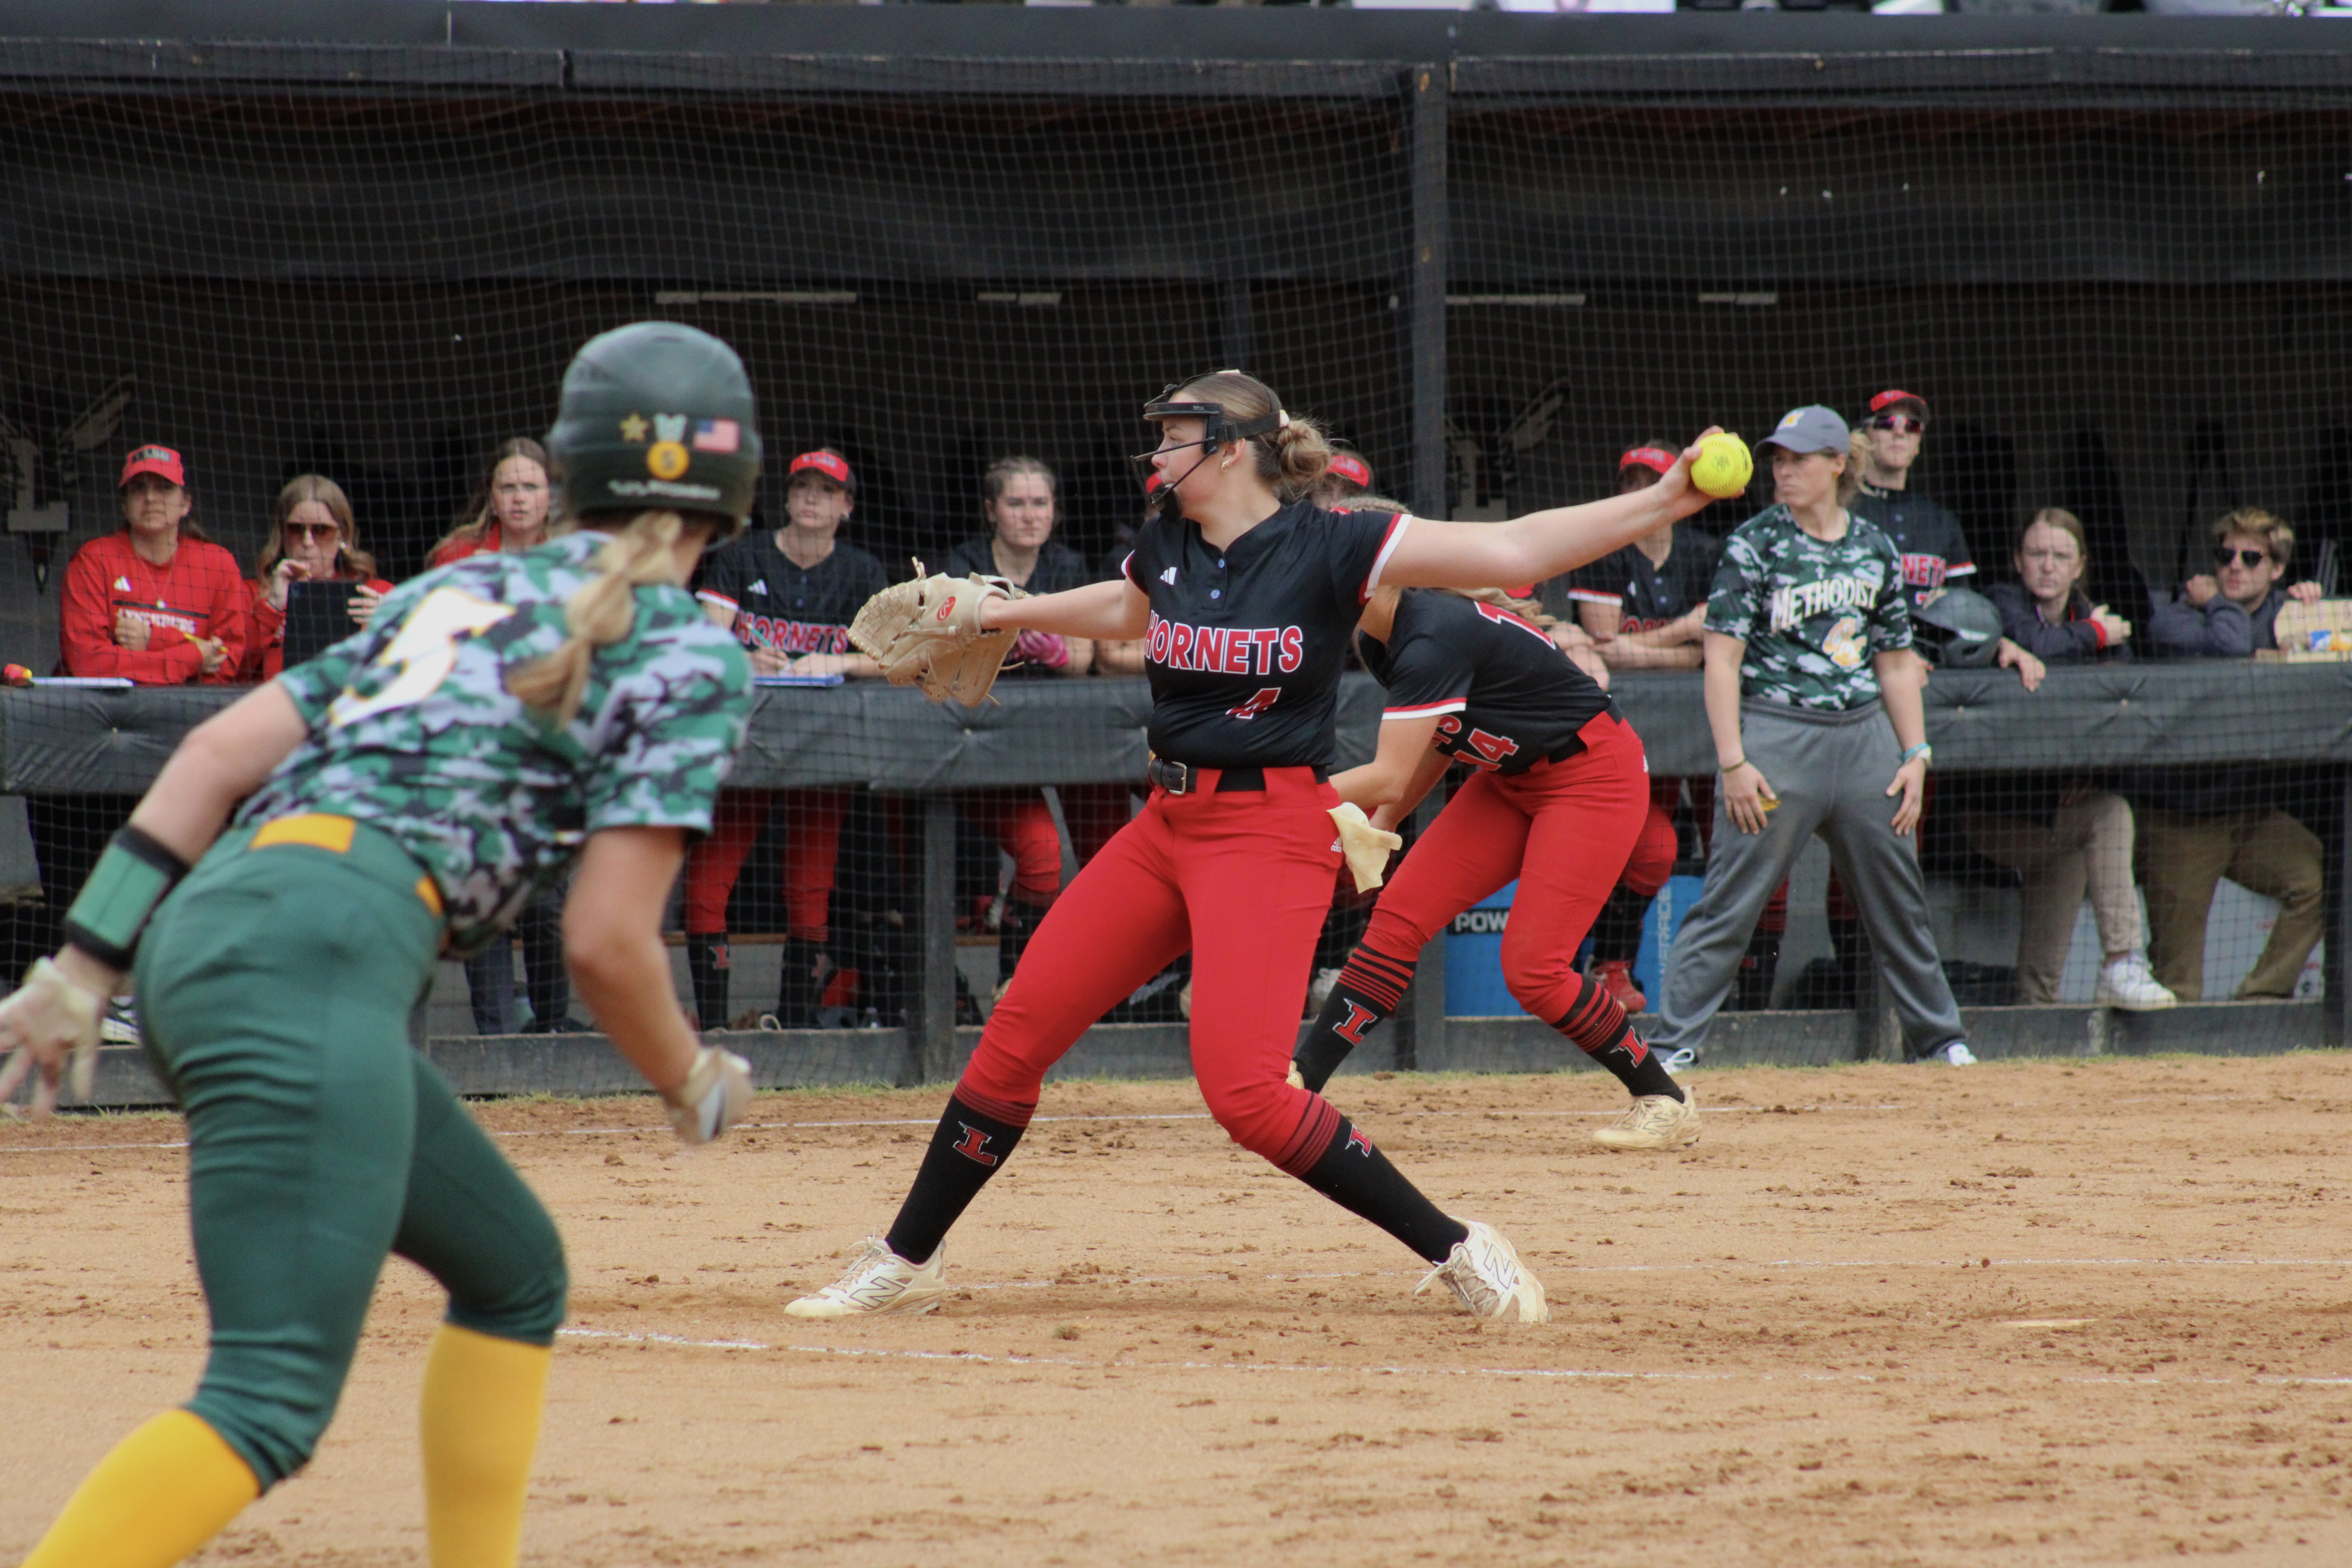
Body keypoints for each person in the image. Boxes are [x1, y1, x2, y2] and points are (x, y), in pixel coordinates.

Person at [0, 320, 761, 1568]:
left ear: (568, 471)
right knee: (264, 1403)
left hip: (218, 927)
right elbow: (609, 942)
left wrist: (83, 970)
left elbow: (211, 757)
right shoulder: (687, 648)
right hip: (322, 961)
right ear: (729, 491)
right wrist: (689, 1076)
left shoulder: (457, 585)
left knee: (514, 1270)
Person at [786, 368, 1720, 1325]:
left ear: (1231, 448)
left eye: (1174, 436)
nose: (1155, 453)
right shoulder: (1171, 539)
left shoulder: (1336, 541)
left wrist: (1662, 498)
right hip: (1169, 824)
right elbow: (1127, 610)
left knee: (1249, 1099)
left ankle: (1457, 1244)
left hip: (1270, 832)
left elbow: (1513, 544)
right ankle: (907, 1258)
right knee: (1014, 1039)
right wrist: (1000, 612)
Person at [1289, 582, 1698, 1152]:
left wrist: (1280, 798)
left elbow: (1386, 770)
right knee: (1398, 920)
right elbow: (1436, 741)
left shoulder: (1430, 632)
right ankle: (1302, 1082)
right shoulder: (1380, 639)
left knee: (1534, 971)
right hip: (1512, 780)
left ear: (1380, 578)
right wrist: (1384, 823)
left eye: (1337, 567)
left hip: (1592, 776)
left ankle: (1664, 1098)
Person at [1648, 406, 1977, 1069]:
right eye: (1778, 458)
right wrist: (1734, 761)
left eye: (1798, 458)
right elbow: (1722, 659)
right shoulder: (1754, 543)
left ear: (1838, 464)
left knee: (1899, 901)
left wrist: (1916, 753)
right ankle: (1672, 1049)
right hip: (1776, 736)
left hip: (1865, 742)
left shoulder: (1874, 547)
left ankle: (1942, 1042)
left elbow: (1894, 661)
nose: (1784, 469)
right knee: (1730, 903)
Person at [682, 448, 888, 1030]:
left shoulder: (863, 571)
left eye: (827, 491)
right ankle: (716, 1029)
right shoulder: (740, 556)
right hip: (744, 741)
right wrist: (742, 656)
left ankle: (796, 1028)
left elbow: (900, 661)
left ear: (847, 506)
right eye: (803, 487)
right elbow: (700, 645)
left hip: (825, 743)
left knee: (810, 885)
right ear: (789, 496)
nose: (812, 498)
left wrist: (838, 664)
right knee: (706, 883)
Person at [32, 447, 249, 987]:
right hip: (98, 746)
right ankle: (97, 992)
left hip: (184, 750)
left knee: (182, 876)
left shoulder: (216, 563)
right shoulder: (96, 559)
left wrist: (157, 641)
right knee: (96, 876)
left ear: (185, 502)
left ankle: (170, 992)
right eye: (139, 489)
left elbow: (229, 663)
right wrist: (188, 656)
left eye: (163, 489)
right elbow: (89, 661)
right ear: (125, 501)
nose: (152, 499)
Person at [1963, 509, 2173, 1009]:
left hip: (2061, 816)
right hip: (1994, 813)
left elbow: (2121, 708)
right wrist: (2099, 635)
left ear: (2080, 565)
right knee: (2109, 815)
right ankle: (2123, 961)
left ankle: (2040, 1053)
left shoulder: (2088, 614)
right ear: (2018, 560)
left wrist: (2094, 771)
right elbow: (2037, 643)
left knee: (2040, 982)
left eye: (2061, 556)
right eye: (2037, 554)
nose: (2048, 567)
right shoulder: (2001, 603)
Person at [1555, 443, 1720, 1013]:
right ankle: (1598, 966)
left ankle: (1736, 994)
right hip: (1611, 733)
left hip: (1697, 731)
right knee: (1647, 848)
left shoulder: (1706, 553)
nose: (1641, 492)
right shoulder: (1602, 549)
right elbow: (1604, 645)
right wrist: (1681, 635)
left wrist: (1640, 647)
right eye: (1631, 482)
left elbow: (1712, 654)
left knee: (1724, 849)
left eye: (1653, 480)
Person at [2136, 508, 2326, 1000]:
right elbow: (2231, 647)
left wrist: (2315, 611)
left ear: (2278, 568)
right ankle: (2165, 1076)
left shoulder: (2287, 613)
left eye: (2251, 557)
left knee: (2319, 880)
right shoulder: (2178, 613)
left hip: (2249, 811)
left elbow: (2330, 647)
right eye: (2225, 556)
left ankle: (2260, 1002)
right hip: (2182, 815)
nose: (2235, 567)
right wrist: (2218, 603)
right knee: (2178, 984)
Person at [430, 439, 573, 1033]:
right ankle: (495, 1038)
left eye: (531, 487)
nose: (519, 498)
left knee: (546, 903)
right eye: (509, 487)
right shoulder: (457, 557)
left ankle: (553, 1029)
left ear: (551, 496)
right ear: (492, 495)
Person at [942, 457, 1096, 995]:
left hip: (1062, 736)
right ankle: (1014, 982)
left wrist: (1053, 647)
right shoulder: (961, 565)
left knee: (1105, 860)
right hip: (985, 736)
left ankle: (1086, 986)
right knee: (1041, 852)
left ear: (1055, 511)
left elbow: (1081, 659)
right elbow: (941, 656)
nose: (1029, 516)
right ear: (991, 510)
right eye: (1015, 503)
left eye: (1039, 504)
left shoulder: (1069, 566)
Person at [238, 474, 394, 683]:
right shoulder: (253, 593)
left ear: (343, 535)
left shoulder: (376, 592)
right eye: (296, 529)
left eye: (321, 530)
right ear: (282, 534)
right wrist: (272, 608)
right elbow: (233, 672)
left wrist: (392, 624)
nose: (307, 541)